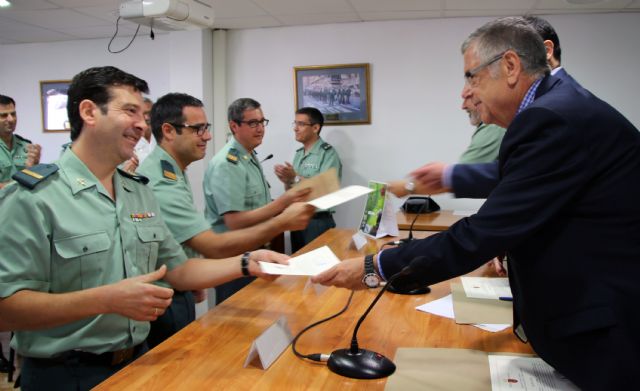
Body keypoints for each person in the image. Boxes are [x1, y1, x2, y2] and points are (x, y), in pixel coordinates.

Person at [313, 17, 640, 390]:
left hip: (603, 326)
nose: (465, 92)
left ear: (511, 67)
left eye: (471, 76)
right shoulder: (558, 106)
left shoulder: (550, 118)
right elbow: (525, 182)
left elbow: (482, 232)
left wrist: (376, 266)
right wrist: (454, 179)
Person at [0, 66, 289, 390]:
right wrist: (105, 300)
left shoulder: (137, 191)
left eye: (143, 114)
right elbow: (6, 309)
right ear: (89, 112)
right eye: (130, 111)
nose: (141, 124)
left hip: (138, 362)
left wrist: (249, 262)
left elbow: (179, 269)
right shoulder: (34, 197)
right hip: (66, 374)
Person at [138, 93, 314, 347]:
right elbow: (219, 236)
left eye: (206, 128)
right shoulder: (164, 179)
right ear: (168, 131)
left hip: (190, 279)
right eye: (198, 129)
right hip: (171, 293)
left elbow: (176, 236)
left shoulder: (176, 170)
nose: (207, 136)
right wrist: (282, 219)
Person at [392, 15, 577, 200]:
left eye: (474, 78)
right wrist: (446, 177)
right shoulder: (546, 105)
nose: (466, 94)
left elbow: (519, 186)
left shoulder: (551, 113)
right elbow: (518, 173)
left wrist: (427, 182)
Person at [203, 98, 311, 303]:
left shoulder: (249, 157)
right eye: (253, 123)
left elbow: (259, 208)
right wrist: (284, 202)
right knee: (235, 324)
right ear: (234, 126)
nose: (260, 128)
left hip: (255, 251)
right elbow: (234, 221)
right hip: (235, 257)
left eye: (262, 122)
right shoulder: (229, 163)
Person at [274, 107, 342, 252]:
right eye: (295, 123)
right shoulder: (299, 154)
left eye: (301, 124)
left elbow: (326, 190)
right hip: (296, 219)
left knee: (318, 270)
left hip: (316, 221)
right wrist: (287, 181)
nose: (295, 129)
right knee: (298, 268)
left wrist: (295, 177)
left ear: (315, 128)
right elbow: (293, 190)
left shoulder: (328, 153)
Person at [0, 95, 42, 189]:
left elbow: (34, 181)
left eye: (13, 114)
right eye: (3, 115)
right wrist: (23, 182)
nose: (11, 119)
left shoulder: (26, 146)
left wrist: (34, 168)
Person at [458, 97, 505, 164]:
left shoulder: (494, 127)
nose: (463, 106)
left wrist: (443, 171)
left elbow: (462, 171)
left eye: (469, 98)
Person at [122, 97, 153, 173]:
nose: (146, 117)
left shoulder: (162, 140)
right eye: (143, 114)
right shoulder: (127, 142)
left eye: (149, 113)